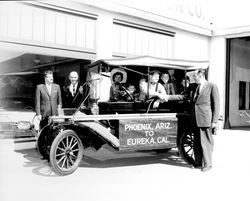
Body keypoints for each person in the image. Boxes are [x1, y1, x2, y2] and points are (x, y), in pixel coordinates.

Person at [186, 69, 220, 172]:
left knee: (206, 142)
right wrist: (167, 97)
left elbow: (216, 104)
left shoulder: (211, 86)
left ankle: (208, 164)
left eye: (195, 77)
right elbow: (185, 96)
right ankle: (198, 162)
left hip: (205, 118)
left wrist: (214, 120)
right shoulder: (194, 86)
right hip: (195, 118)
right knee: (196, 142)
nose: (193, 79)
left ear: (201, 76)